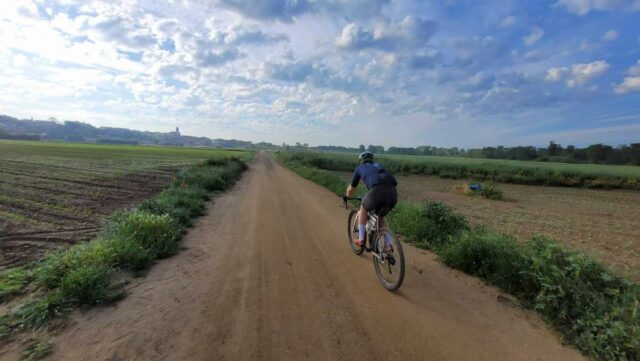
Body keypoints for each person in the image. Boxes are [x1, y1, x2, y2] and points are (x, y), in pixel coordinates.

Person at [345, 151, 398, 248]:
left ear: (361, 160)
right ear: (372, 160)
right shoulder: (380, 166)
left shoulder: (360, 168)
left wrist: (348, 196)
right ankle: (388, 244)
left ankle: (361, 239)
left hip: (377, 191)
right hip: (393, 194)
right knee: (380, 217)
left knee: (363, 208)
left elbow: (351, 188)